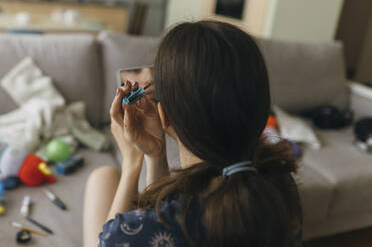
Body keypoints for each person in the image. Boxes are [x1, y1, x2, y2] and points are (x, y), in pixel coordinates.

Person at [83, 20, 302, 247]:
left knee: (101, 178)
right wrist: (156, 156)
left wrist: (131, 163)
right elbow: (162, 209)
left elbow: (119, 236)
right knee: (104, 176)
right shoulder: (282, 184)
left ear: (164, 115)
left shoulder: (133, 232)